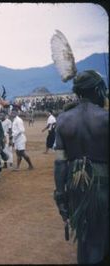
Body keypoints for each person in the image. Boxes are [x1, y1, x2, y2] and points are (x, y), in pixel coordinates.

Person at [53, 70, 108, 264]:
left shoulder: (63, 120)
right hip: (103, 182)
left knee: (85, 231)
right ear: (96, 90)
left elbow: (60, 163)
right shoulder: (105, 118)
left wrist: (60, 194)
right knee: (100, 234)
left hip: (76, 182)